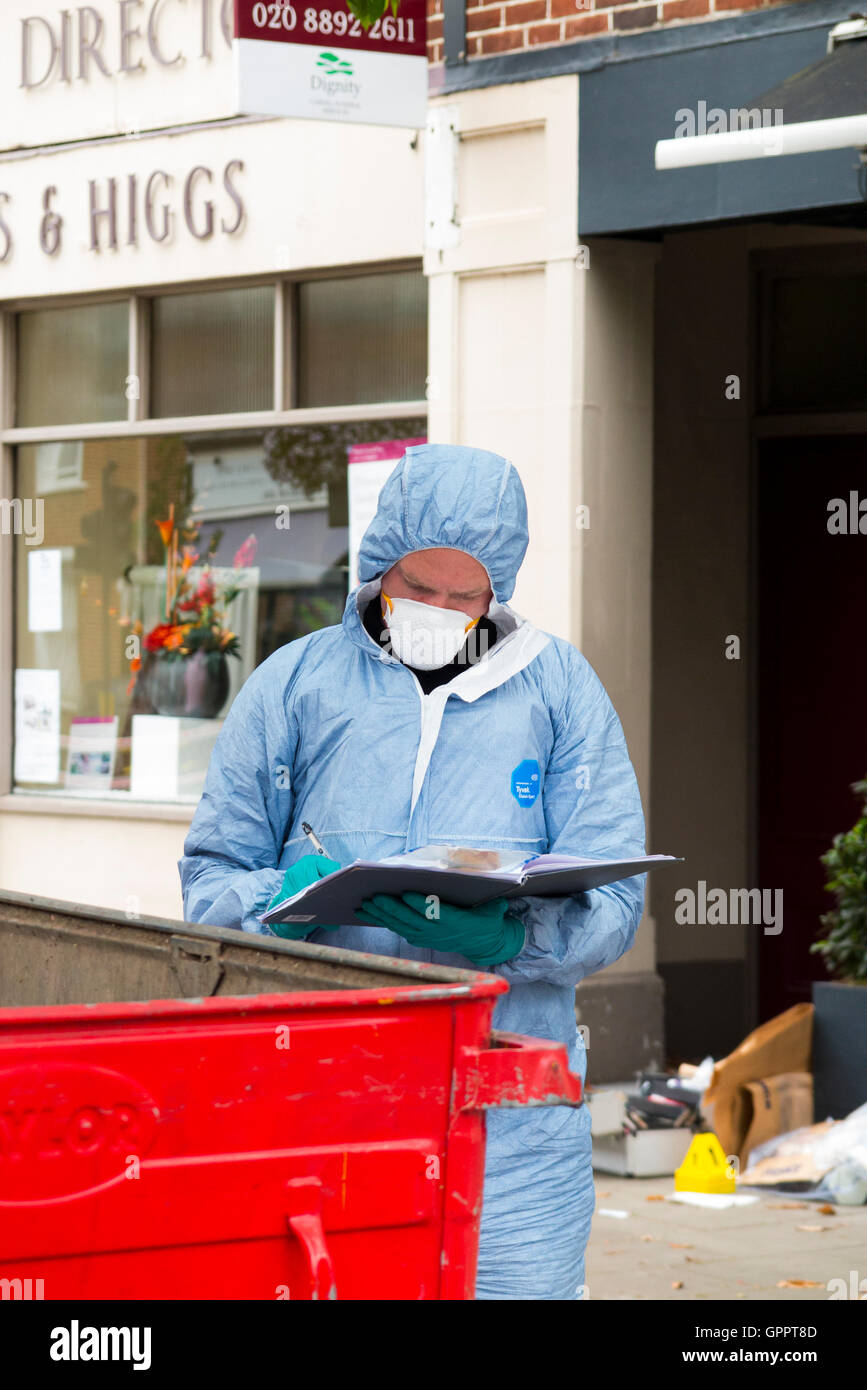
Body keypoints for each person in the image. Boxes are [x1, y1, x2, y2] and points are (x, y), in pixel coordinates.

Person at [180, 442, 646, 1300]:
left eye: (461, 596)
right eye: (415, 589)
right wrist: (278, 900)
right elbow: (211, 875)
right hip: (322, 1100)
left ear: (494, 590)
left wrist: (516, 932)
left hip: (507, 1108)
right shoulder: (295, 684)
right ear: (378, 567)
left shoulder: (558, 690)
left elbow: (615, 894)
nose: (436, 610)